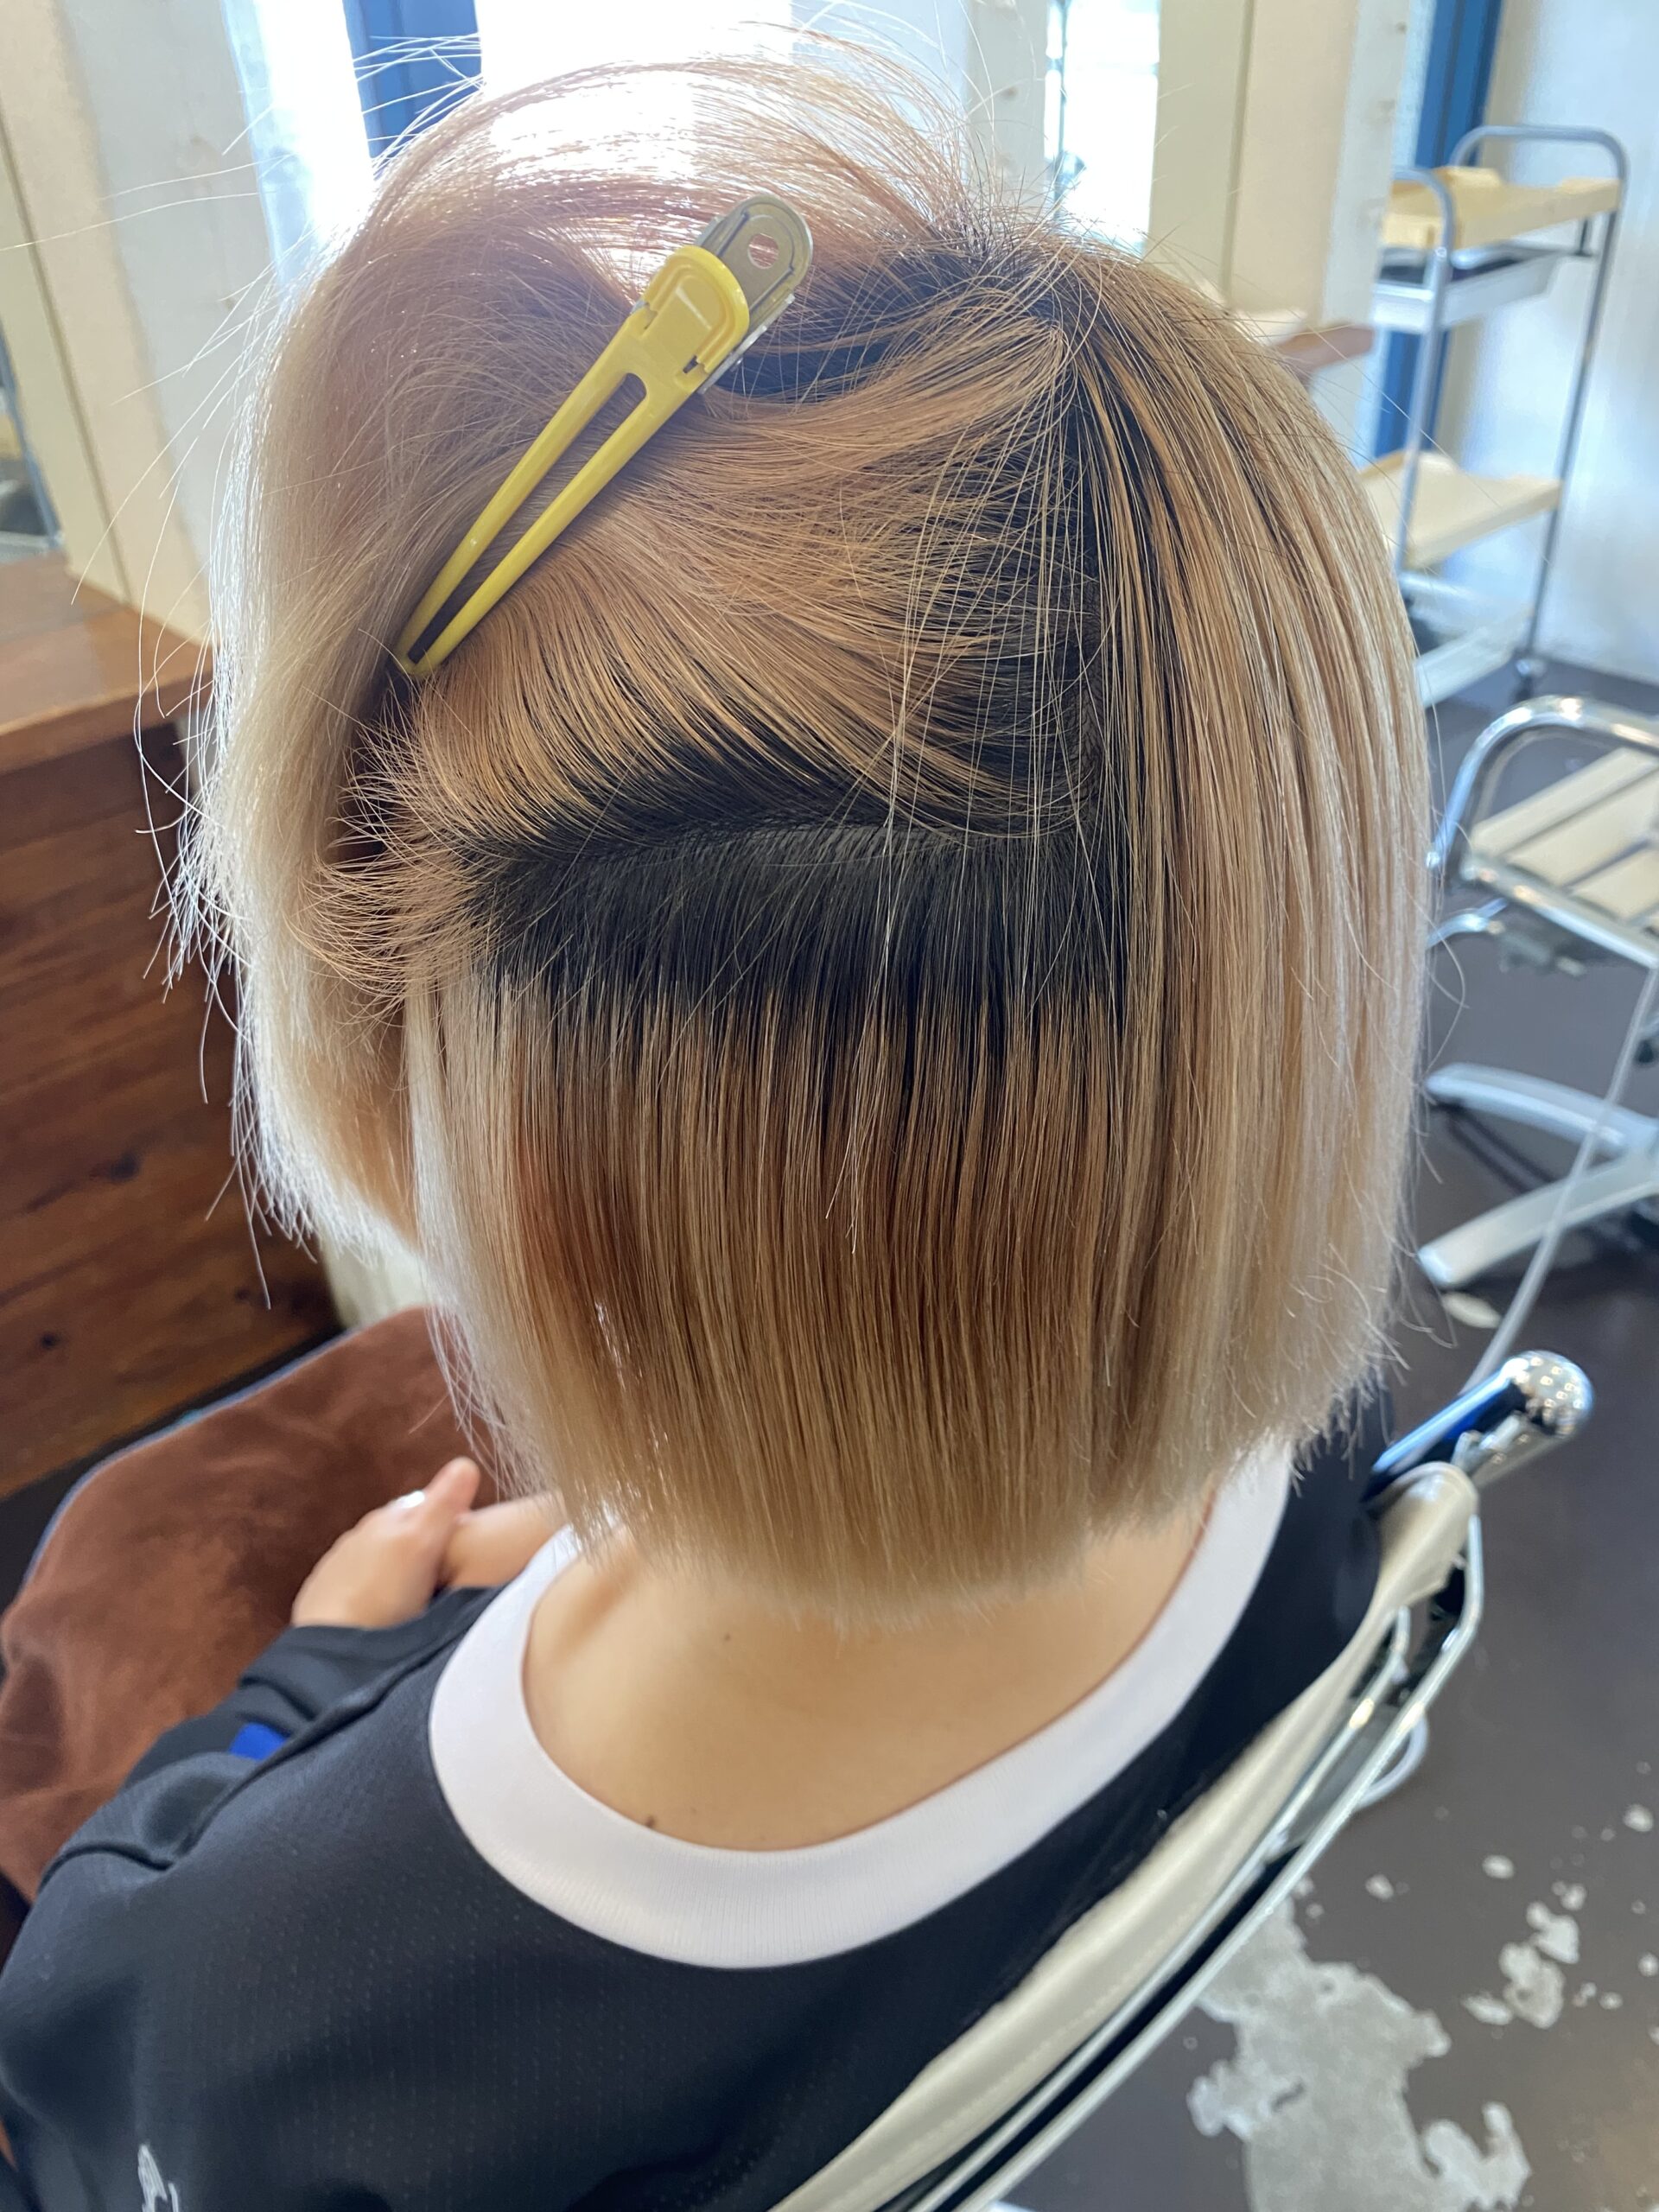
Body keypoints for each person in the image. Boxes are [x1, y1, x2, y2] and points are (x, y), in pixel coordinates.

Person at [0, 49, 1424, 2211]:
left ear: (519, 1179)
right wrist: (609, 1549)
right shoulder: (1323, 1467)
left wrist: (317, 1671)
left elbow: (92, 2037)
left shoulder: (260, 2012)